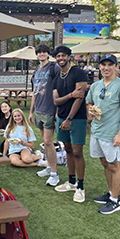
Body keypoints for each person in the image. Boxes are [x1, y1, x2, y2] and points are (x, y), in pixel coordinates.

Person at [52, 45, 87, 203]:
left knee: (77, 151)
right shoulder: (56, 77)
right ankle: (71, 182)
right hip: (61, 118)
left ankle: (80, 186)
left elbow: (80, 98)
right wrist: (71, 94)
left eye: (63, 55)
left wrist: (69, 119)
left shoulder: (78, 73)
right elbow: (56, 101)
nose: (60, 58)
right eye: (58, 56)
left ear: (68, 56)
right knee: (67, 149)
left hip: (76, 119)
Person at [86, 54, 120, 214]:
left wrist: (119, 134)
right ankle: (112, 192)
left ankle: (115, 200)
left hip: (112, 133)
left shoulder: (119, 85)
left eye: (110, 64)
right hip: (97, 131)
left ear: (116, 66)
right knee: (104, 162)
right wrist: (91, 110)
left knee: (114, 165)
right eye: (103, 64)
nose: (106, 68)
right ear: (99, 66)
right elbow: (90, 102)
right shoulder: (95, 85)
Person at [29, 43, 60, 187]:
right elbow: (34, 93)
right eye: (39, 52)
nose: (41, 54)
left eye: (44, 52)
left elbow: (60, 87)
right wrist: (31, 111)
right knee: (45, 141)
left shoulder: (54, 68)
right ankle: (49, 166)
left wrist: (57, 110)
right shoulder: (36, 71)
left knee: (48, 142)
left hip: (49, 110)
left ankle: (54, 174)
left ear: (48, 54)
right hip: (38, 111)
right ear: (36, 55)